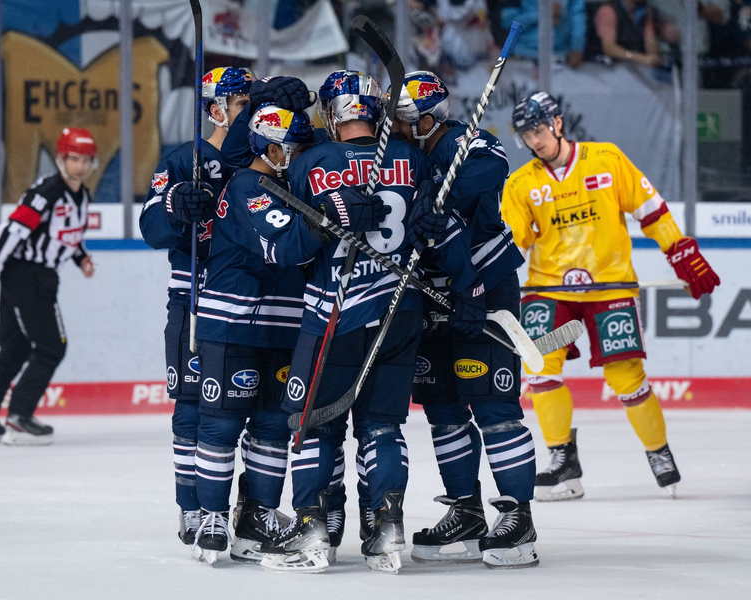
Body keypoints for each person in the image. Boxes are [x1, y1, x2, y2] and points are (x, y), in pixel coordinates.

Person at [258, 70, 483, 574]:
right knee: (382, 426)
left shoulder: (312, 163)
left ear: (335, 115)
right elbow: (440, 231)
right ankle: (386, 530)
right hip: (400, 312)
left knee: (313, 427)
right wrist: (468, 286)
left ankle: (315, 531)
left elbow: (293, 248)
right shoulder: (410, 158)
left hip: (332, 317)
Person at [502, 91, 720, 502]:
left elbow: (651, 210)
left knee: (626, 377)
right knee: (539, 368)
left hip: (609, 288)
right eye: (526, 135)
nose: (533, 141)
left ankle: (659, 453)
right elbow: (513, 241)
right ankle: (562, 457)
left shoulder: (606, 159)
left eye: (537, 130)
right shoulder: (522, 183)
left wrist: (680, 252)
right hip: (551, 292)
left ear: (557, 123)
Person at [391, 71, 539, 569]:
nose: (397, 128)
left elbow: (491, 170)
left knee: (493, 404)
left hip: (485, 285)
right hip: (428, 291)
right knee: (443, 407)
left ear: (427, 119)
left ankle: (519, 515)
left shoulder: (465, 141)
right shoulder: (398, 155)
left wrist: (438, 196)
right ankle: (468, 511)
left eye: (405, 121)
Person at [191, 104, 328, 565]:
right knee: (223, 423)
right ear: (271, 149)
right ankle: (212, 515)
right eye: (296, 147)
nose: (303, 155)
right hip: (234, 324)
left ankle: (257, 518)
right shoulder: (250, 187)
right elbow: (286, 246)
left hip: (284, 325)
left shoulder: (284, 185)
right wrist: (331, 214)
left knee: (272, 426)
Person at [139, 66, 253, 549]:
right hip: (195, 297)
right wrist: (174, 207)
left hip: (252, 301)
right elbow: (150, 225)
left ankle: (249, 506)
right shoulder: (186, 159)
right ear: (216, 109)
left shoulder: (269, 155)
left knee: (252, 410)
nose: (253, 113)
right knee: (191, 408)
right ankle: (193, 507)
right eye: (243, 104)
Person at [0, 127, 98, 446]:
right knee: (53, 347)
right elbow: (7, 234)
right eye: (73, 159)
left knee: (17, 347)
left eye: (86, 160)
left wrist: (81, 259)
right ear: (61, 159)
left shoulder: (81, 195)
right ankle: (20, 418)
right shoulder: (47, 192)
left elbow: (66, 235)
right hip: (28, 277)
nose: (80, 166)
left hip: (32, 276)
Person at [501, 0, 586, 68]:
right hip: (523, 57)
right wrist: (542, 14)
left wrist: (577, 47)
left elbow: (578, 17)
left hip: (560, 58)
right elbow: (506, 23)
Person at [594, 0, 662, 66]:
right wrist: (640, 58)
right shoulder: (608, 10)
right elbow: (609, 48)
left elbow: (650, 40)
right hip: (609, 67)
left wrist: (653, 58)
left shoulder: (645, 11)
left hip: (636, 66)